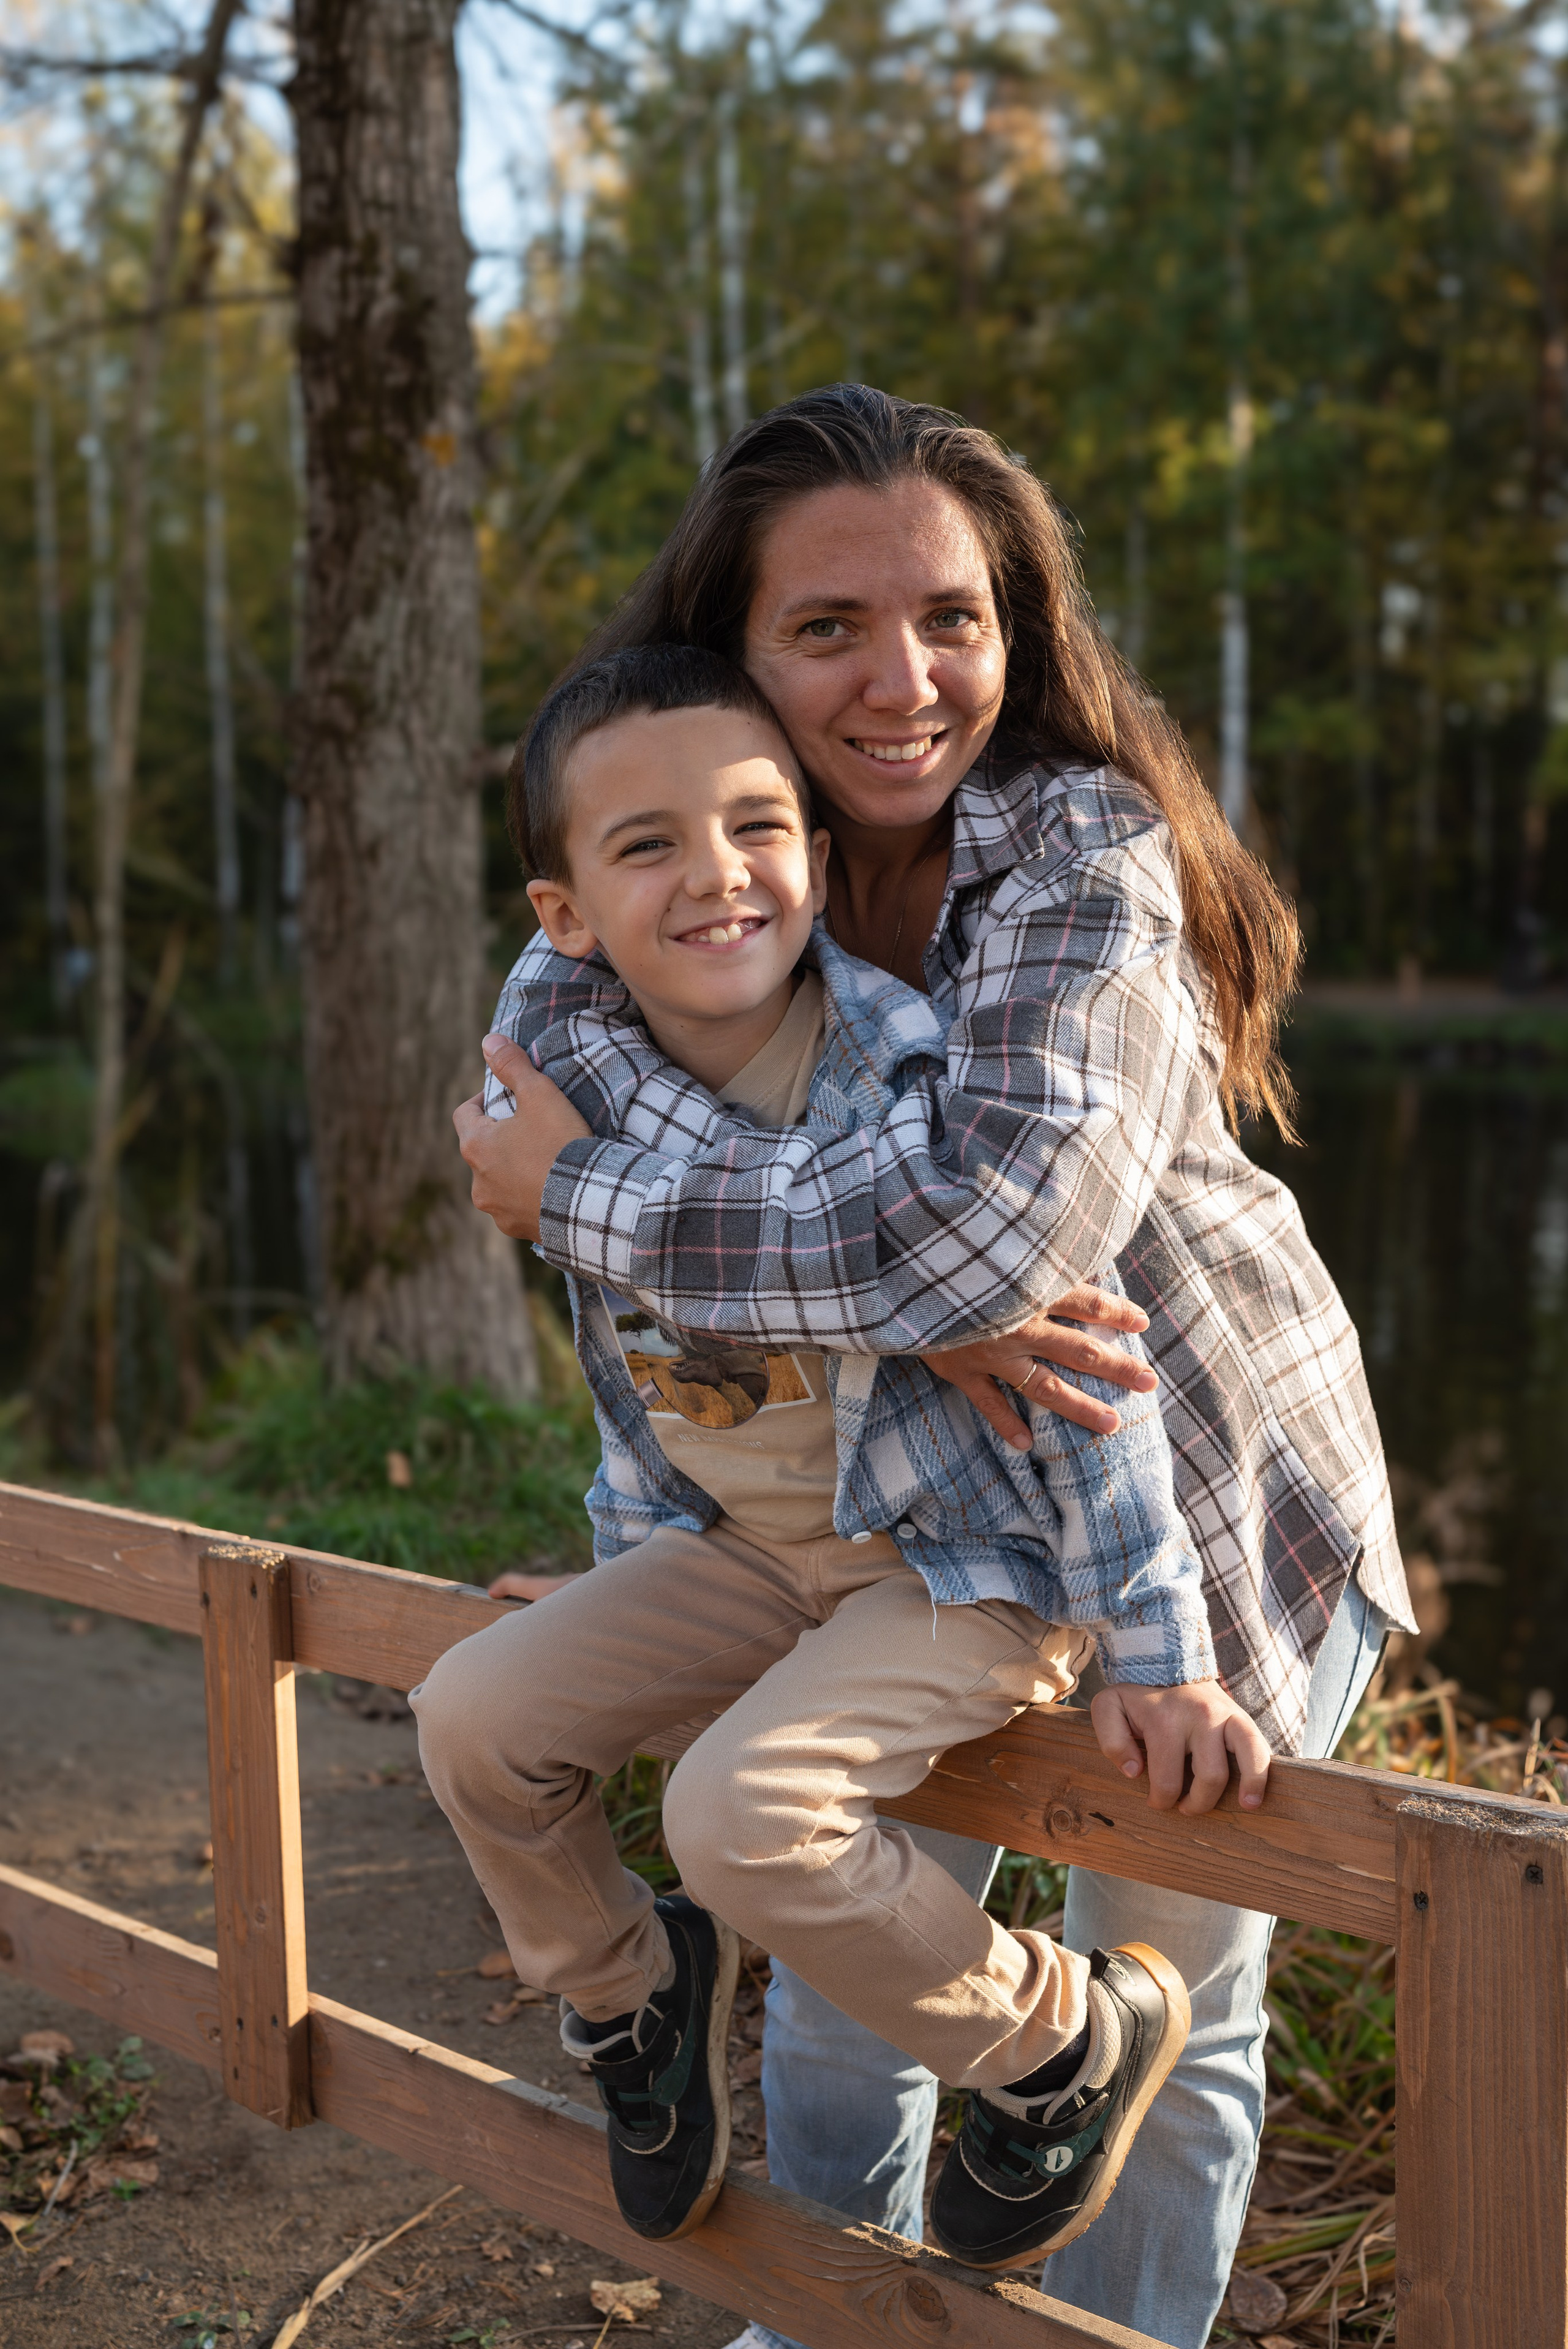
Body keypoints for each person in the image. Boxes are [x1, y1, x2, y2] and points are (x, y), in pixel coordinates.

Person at [454, 385, 1414, 2349]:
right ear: (731, 650)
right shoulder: (673, 867)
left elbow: (1004, 1252)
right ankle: (829, 2322)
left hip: (1187, 1483)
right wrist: (642, 1536)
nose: (905, 679)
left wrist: (587, 1196)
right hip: (892, 1513)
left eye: (953, 618)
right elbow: (635, 1293)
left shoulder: (1078, 851)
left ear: (1018, 628)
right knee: (832, 1952)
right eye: (828, 629)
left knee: (1176, 1982)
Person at [416, 634, 1251, 2263]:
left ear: (811, 844)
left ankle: (1060, 2041)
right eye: (648, 845)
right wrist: (622, 1566)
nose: (718, 878)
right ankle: (634, 1996)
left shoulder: (907, 1079)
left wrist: (1156, 1644)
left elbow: (1088, 1379)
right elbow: (638, 1336)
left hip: (958, 1562)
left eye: (758, 827)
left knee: (741, 1815)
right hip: (739, 1551)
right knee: (474, 1716)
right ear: (568, 913)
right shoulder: (563, 1061)